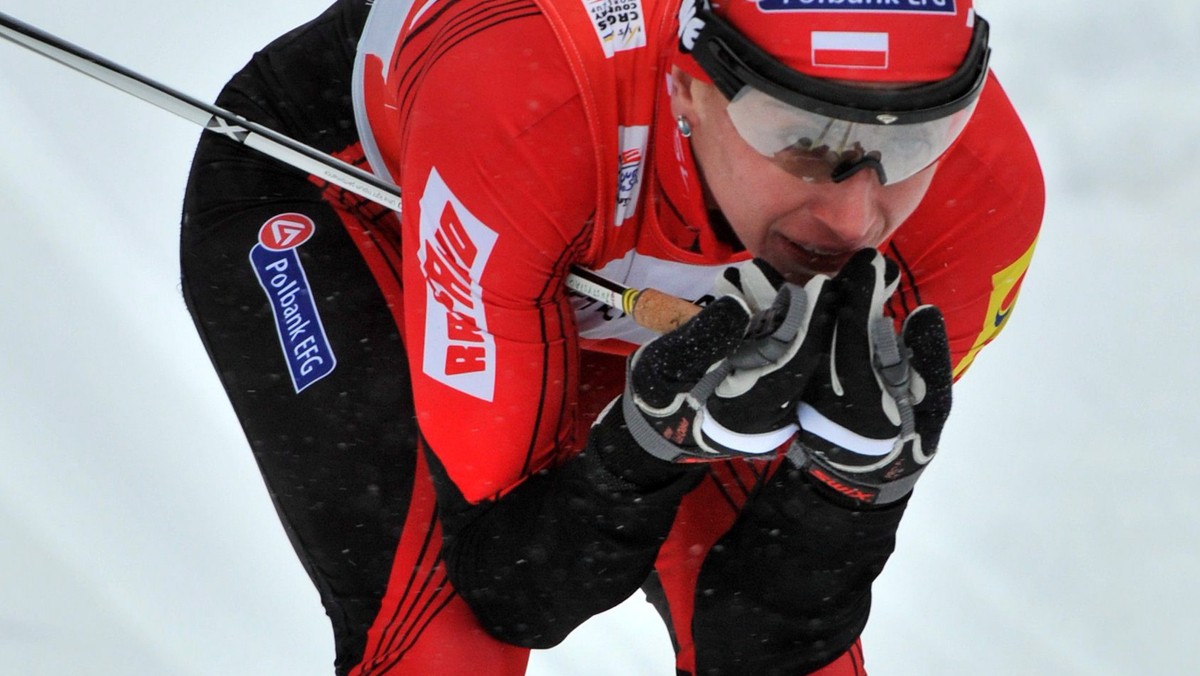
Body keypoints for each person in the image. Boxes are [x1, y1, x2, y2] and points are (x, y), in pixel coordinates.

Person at [179, 0, 1044, 673]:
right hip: (369, 211)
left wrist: (849, 499)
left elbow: (765, 634)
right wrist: (648, 450)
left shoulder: (982, 206)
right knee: (442, 640)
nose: (856, 214)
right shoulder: (527, 99)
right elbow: (514, 589)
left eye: (917, 141)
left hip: (600, 261)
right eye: (806, 143)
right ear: (690, 88)